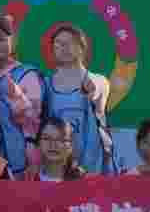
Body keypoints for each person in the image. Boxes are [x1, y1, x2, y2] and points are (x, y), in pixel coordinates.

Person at [43, 24, 113, 173]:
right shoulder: (46, 84)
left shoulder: (99, 80)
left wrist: (92, 89)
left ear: (82, 47)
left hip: (92, 162)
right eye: (58, 44)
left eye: (70, 43)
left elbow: (96, 90)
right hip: (58, 163)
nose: (64, 47)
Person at [0, 14, 42, 177]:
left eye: (0, 39)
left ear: (12, 40)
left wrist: (33, 160)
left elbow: (35, 124)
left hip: (20, 162)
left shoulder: (26, 75)